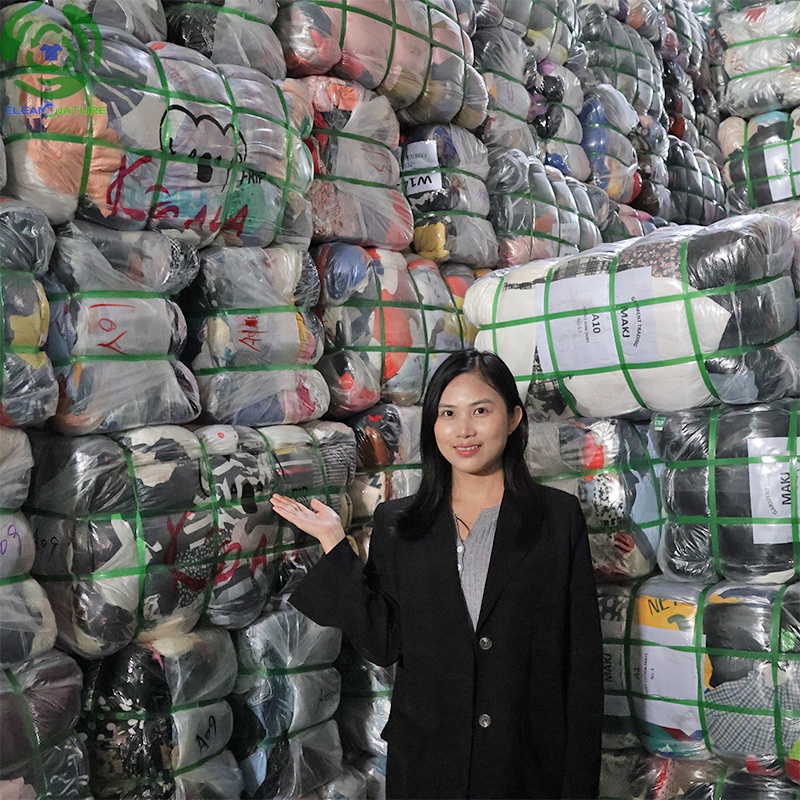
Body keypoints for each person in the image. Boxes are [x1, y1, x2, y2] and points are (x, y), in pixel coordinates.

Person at [270, 349, 603, 800]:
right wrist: (334, 543)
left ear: (513, 419)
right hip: (429, 768)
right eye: (448, 413)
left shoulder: (555, 520)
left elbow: (582, 665)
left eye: (480, 411)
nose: (463, 430)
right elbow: (384, 643)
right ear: (432, 425)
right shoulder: (399, 524)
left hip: (523, 767)